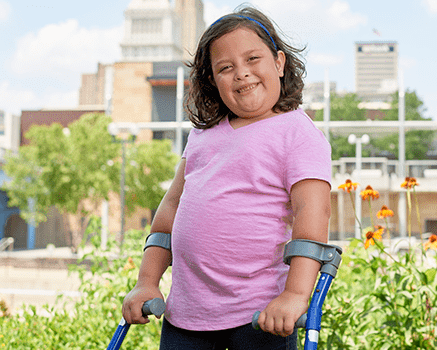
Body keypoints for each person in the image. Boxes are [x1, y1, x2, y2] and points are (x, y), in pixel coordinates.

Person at [121, 5, 332, 349]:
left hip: (261, 316)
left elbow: (314, 214)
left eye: (253, 59)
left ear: (279, 63)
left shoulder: (297, 132)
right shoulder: (203, 136)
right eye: (226, 67)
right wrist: (147, 281)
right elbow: (170, 211)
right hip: (187, 315)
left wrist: (295, 294)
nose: (242, 74)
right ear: (211, 81)